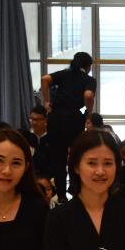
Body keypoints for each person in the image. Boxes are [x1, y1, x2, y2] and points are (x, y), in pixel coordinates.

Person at [41, 52, 97, 202]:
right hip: (74, 119)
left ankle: (61, 195)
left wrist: (47, 102)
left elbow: (45, 79)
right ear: (88, 66)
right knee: (75, 155)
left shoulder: (64, 74)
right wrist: (89, 112)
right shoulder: (89, 80)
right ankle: (75, 191)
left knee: (58, 158)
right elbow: (88, 95)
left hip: (55, 118)